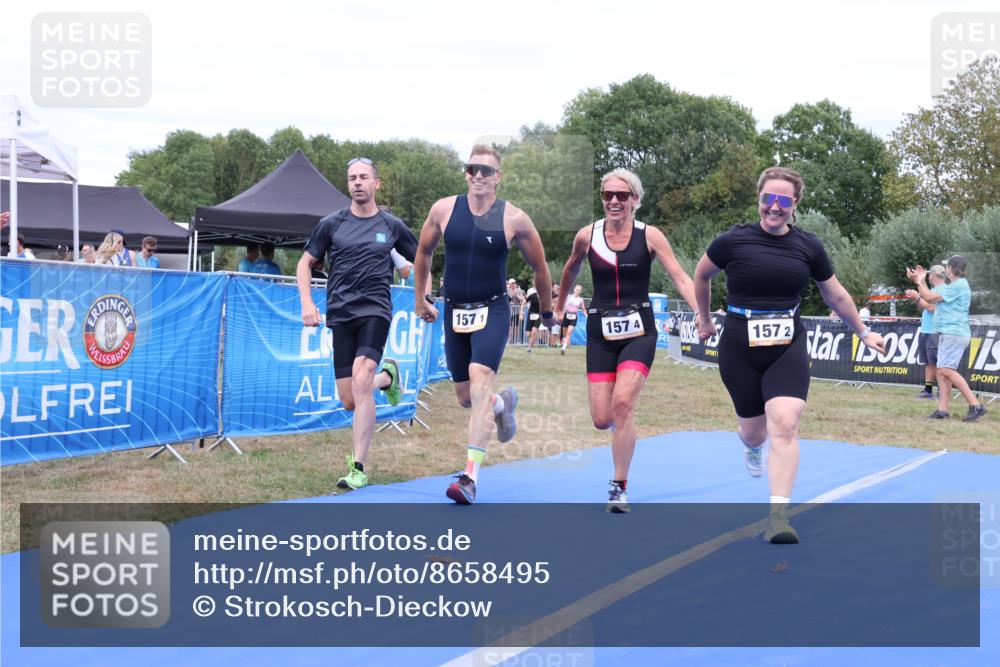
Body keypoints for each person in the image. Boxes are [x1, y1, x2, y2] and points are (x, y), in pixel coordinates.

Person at [693, 166, 886, 544]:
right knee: (754, 431)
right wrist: (704, 319)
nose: (775, 207)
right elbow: (702, 276)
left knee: (785, 419)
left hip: (787, 343)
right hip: (739, 343)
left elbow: (835, 295)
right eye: (769, 199)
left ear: (795, 205)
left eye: (784, 201)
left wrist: (863, 331)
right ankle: (752, 448)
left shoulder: (808, 246)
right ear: (759, 200)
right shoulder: (732, 241)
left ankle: (778, 517)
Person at [414, 144, 555, 505]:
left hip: (493, 310)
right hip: (454, 309)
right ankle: (500, 405)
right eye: (473, 169)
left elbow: (540, 268)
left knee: (479, 380)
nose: (479, 175)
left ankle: (469, 478)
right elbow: (424, 252)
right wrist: (421, 296)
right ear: (466, 173)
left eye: (486, 171)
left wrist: (549, 310)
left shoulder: (515, 219)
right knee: (466, 397)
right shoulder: (444, 210)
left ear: (498, 178)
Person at [558, 168, 698, 513]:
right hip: (600, 334)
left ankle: (618, 486)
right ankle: (620, 443)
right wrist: (557, 307)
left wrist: (702, 313)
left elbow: (680, 277)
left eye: (622, 195)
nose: (614, 201)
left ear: (635, 200)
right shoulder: (587, 235)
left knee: (623, 404)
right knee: (602, 418)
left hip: (640, 330)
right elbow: (571, 269)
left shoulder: (650, 236)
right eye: (608, 195)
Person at [297, 157, 418, 490]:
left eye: (364, 177)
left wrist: (425, 297)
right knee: (350, 398)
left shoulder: (391, 225)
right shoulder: (331, 224)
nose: (358, 182)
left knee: (361, 382)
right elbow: (304, 264)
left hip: (375, 312)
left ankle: (358, 467)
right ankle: (388, 377)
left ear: (376, 184)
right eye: (352, 178)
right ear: (348, 184)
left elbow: (421, 257)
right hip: (340, 314)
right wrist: (307, 303)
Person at [912, 256, 987, 422]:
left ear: (951, 268)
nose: (945, 269)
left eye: (947, 266)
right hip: (950, 333)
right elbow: (930, 296)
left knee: (946, 371)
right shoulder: (956, 286)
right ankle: (942, 410)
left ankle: (976, 405)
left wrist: (919, 282)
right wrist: (921, 281)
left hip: (954, 333)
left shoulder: (958, 285)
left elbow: (929, 298)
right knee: (942, 372)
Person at [905, 263, 948, 399]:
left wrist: (917, 297)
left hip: (936, 331)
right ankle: (928, 390)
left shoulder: (943, 290)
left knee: (937, 362)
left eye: (929, 275)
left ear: (935, 275)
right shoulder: (934, 289)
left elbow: (931, 307)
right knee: (929, 362)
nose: (928, 277)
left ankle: (942, 391)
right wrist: (920, 281)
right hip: (927, 329)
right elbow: (924, 306)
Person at [560, 284, 585, 354]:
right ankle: (566, 343)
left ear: (580, 292)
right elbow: (562, 304)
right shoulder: (568, 297)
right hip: (566, 315)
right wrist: (561, 313)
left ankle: (564, 347)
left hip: (574, 317)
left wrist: (586, 315)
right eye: (576, 289)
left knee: (569, 332)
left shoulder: (581, 300)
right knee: (564, 333)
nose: (577, 291)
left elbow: (583, 309)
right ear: (574, 289)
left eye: (579, 290)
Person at [524, 286, 542, 352]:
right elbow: (524, 302)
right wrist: (521, 312)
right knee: (528, 334)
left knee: (534, 331)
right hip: (531, 314)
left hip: (539, 315)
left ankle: (529, 348)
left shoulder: (544, 297)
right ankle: (532, 341)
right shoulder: (533, 295)